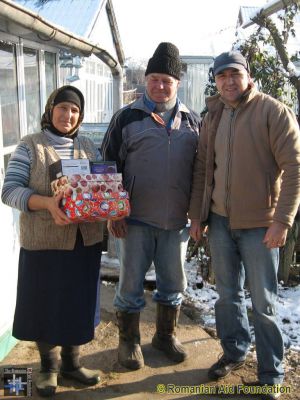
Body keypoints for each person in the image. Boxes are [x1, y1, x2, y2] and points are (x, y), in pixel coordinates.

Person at [189, 51, 300, 398]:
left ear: (248, 76)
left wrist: (281, 221)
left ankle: (271, 375)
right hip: (221, 222)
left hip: (261, 225)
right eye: (221, 76)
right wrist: (198, 216)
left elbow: (295, 168)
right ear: (216, 81)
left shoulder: (273, 112)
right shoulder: (213, 116)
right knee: (227, 295)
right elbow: (203, 168)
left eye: (234, 74)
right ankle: (235, 352)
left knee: (263, 303)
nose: (228, 81)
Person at [101, 42, 200, 370]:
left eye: (167, 80)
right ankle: (128, 341)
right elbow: (107, 166)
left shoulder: (192, 123)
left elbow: (201, 171)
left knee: (173, 282)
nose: (160, 86)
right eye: (154, 78)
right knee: (130, 282)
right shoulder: (126, 118)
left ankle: (165, 335)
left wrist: (197, 214)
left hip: (176, 223)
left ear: (178, 83)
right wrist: (114, 210)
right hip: (134, 221)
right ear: (146, 80)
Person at [1, 85, 104, 397]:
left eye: (74, 111)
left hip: (84, 241)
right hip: (44, 242)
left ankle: (73, 364)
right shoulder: (30, 146)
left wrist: (108, 203)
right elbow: (9, 191)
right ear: (50, 109)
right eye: (63, 108)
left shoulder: (88, 146)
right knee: (44, 303)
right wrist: (47, 203)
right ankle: (49, 368)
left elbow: (100, 186)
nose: (68, 115)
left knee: (77, 302)